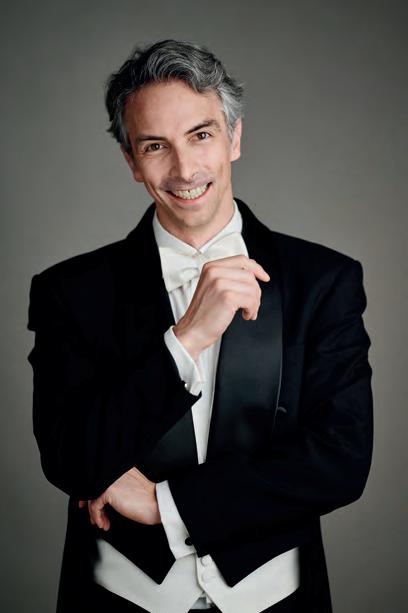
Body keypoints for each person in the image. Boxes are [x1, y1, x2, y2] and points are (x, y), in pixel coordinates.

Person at [27, 39, 373, 613]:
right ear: (131, 161)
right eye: (155, 146)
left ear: (234, 138)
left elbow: (341, 461)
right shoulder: (70, 291)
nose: (184, 170)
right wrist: (185, 340)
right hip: (118, 599)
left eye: (201, 135)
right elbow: (70, 459)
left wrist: (166, 505)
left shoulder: (324, 281)